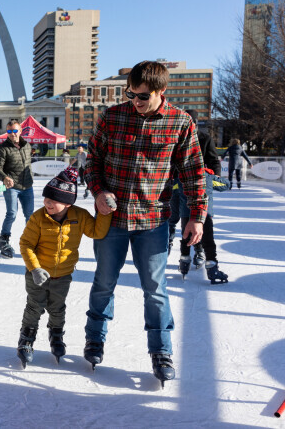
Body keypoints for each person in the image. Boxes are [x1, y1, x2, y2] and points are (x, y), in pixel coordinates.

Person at [83, 60, 207, 386]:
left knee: (155, 290)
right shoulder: (112, 116)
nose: (134, 101)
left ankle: (161, 350)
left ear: (160, 91)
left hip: (153, 220)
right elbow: (91, 161)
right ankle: (95, 337)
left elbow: (193, 172)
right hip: (111, 219)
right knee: (104, 282)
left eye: (142, 96)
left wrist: (197, 215)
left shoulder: (180, 123)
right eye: (130, 94)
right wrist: (98, 190)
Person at [16, 166, 111, 367]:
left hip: (63, 275)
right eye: (46, 199)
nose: (47, 203)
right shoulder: (38, 218)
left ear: (68, 204)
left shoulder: (80, 216)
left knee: (57, 308)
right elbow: (26, 244)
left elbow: (97, 232)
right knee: (34, 307)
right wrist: (34, 268)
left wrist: (105, 212)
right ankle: (26, 340)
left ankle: (56, 336)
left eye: (53, 200)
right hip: (37, 275)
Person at [170, 110, 229, 284]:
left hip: (201, 182)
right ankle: (183, 253)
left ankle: (199, 251)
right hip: (179, 183)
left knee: (199, 221)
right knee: (181, 218)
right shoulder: (177, 138)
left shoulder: (204, 138)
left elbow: (213, 160)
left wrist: (212, 177)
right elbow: (171, 161)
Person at [0, 119, 33, 259]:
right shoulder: (2, 148)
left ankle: (31, 241)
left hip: (27, 186)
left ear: (20, 131)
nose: (12, 134)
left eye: (15, 131)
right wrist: (5, 178)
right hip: (11, 187)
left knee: (30, 215)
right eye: (9, 131)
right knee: (12, 213)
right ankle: (3, 241)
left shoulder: (27, 145)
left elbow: (28, 164)